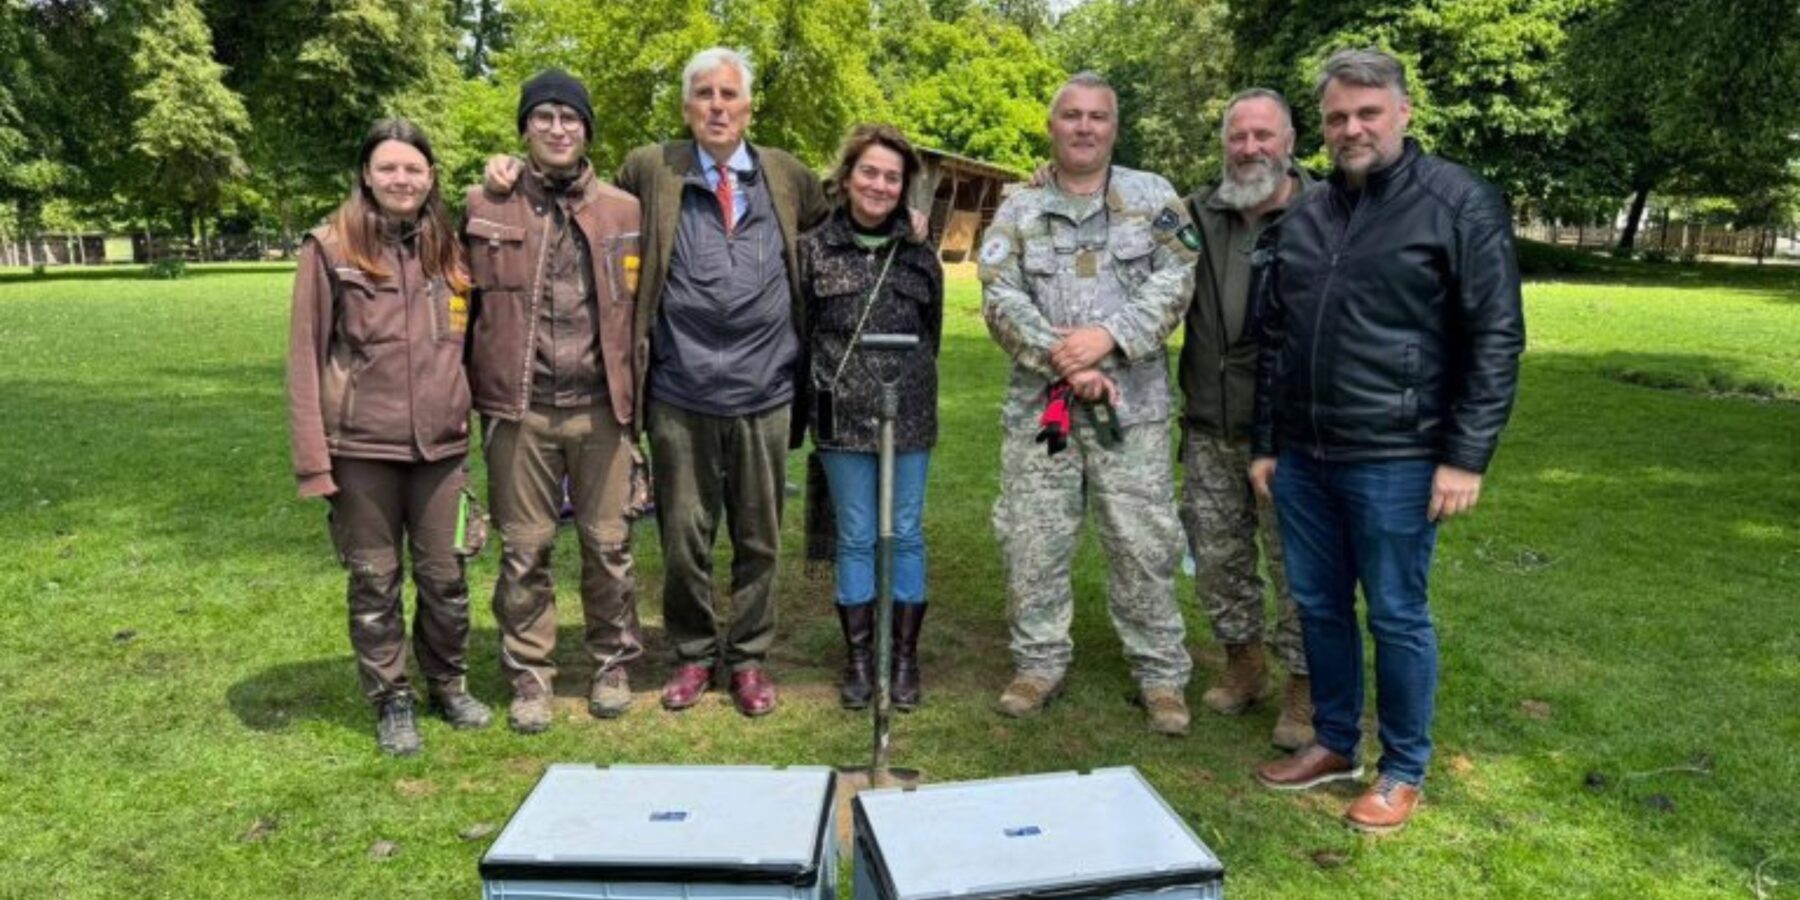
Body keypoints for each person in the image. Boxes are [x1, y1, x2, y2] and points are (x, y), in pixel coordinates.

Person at [1248, 48, 1525, 833]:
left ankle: (1403, 767)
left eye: (1368, 113)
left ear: (1403, 112)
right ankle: (1336, 740)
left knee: (1397, 612)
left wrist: (1466, 454)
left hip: (1400, 456)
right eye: (1337, 117)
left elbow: (1496, 336)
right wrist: (1267, 443)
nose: (1352, 128)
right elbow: (1273, 338)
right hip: (1304, 456)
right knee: (1319, 606)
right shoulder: (1305, 212)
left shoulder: (1458, 202)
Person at [977, 72, 1199, 736]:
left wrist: (1109, 338)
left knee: (1142, 539)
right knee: (1034, 537)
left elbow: (1180, 274)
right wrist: (1063, 360)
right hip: (1046, 411)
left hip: (1132, 409)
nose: (1083, 126)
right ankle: (1038, 663)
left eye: (1097, 116)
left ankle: (1162, 677)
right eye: (1071, 115)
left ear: (1114, 127)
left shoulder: (1154, 197)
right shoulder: (1018, 208)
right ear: (1052, 126)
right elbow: (998, 294)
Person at [286, 118, 491, 756]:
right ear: (367, 177)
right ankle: (390, 697)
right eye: (388, 168)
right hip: (360, 453)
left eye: (413, 169)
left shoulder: (450, 253)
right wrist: (315, 465)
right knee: (374, 581)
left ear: (431, 178)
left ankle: (447, 682)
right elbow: (303, 360)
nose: (401, 179)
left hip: (441, 451)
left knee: (446, 577)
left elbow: (474, 346)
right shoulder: (329, 249)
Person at [463, 69, 644, 734]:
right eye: (544, 117)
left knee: (609, 545)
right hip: (521, 408)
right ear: (525, 129)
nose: (558, 128)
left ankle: (612, 663)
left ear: (587, 130)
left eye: (571, 117)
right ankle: (531, 676)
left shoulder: (625, 210)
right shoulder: (486, 206)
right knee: (525, 550)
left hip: (603, 408)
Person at [1176, 89, 1315, 750]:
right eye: (1239, 136)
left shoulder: (1327, 211)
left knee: (1299, 564)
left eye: (1265, 135)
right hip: (1209, 418)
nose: (1251, 148)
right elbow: (1116, 219)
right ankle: (1244, 663)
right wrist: (1045, 182)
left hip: (1292, 431)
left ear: (1289, 142)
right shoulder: (1198, 213)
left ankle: (1306, 685)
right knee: (1217, 554)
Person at [798, 124, 943, 711]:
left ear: (904, 186)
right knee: (856, 537)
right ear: (848, 176)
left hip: (907, 414)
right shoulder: (813, 249)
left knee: (904, 534)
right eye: (870, 172)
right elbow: (802, 331)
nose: (880, 186)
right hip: (840, 416)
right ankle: (860, 660)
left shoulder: (921, 254)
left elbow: (930, 337)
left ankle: (903, 658)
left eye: (892, 177)